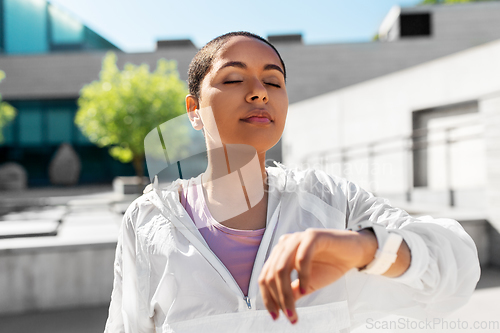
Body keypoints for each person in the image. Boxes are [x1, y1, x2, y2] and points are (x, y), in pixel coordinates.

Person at [104, 31, 480, 333]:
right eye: (233, 78)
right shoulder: (148, 221)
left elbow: (458, 267)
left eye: (273, 81)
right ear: (194, 111)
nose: (259, 92)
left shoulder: (333, 202)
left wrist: (364, 248)